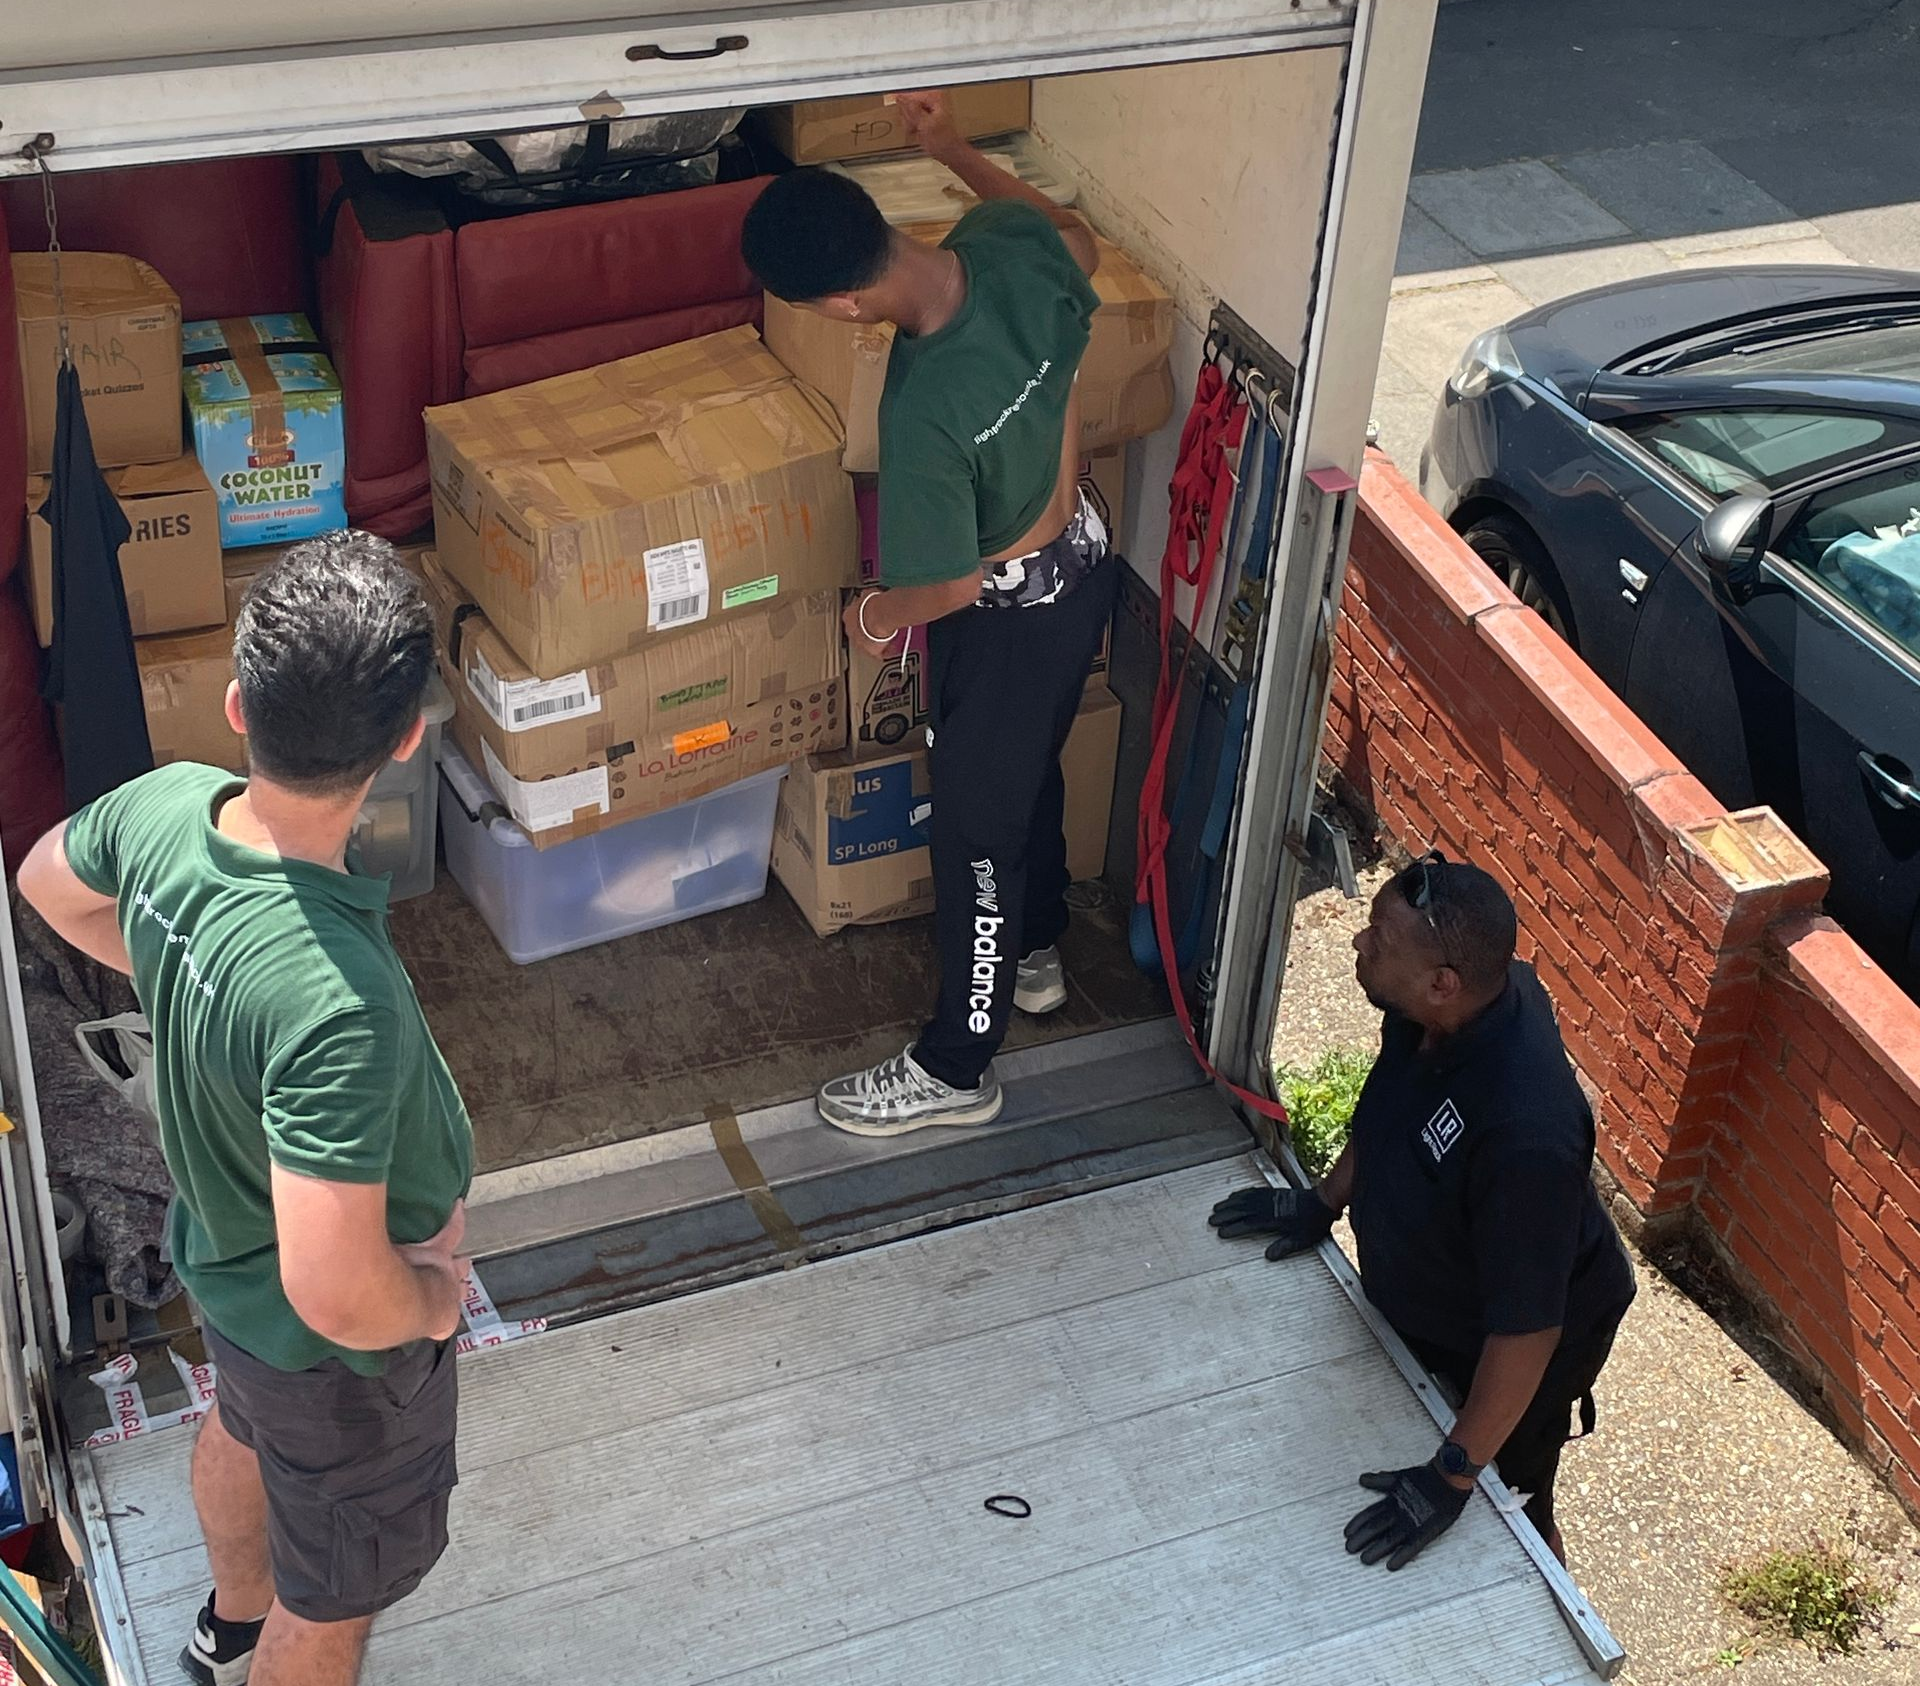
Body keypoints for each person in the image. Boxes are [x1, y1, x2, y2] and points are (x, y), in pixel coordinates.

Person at [19, 532, 473, 1686]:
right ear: (408, 740)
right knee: (334, 1606)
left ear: (237, 706)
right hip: (340, 1359)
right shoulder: (336, 1000)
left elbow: (41, 880)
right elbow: (335, 1288)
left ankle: (225, 1625)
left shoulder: (169, 808)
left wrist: (177, 975)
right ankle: (265, 1641)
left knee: (241, 1426)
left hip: (223, 1266)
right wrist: (426, 1302)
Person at [741, 89, 1114, 1137]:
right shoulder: (1004, 243)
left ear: (841, 308)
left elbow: (943, 588)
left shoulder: (922, 411)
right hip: (1081, 571)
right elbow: (1078, 241)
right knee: (1030, 772)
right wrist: (956, 152)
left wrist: (873, 618)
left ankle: (958, 1066)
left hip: (999, 620)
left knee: (975, 836)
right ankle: (1033, 952)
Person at [1209, 852, 1636, 1570]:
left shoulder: (1525, 1133)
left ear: (1445, 983)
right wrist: (1321, 1202)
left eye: (1378, 938)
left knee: (1520, 1511)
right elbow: (1391, 1114)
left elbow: (1527, 1331)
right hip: (1434, 1297)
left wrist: (1451, 1476)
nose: (1357, 944)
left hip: (1510, 1355)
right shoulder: (1431, 1015)